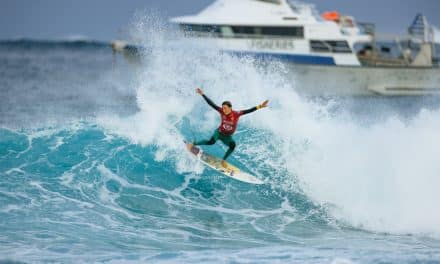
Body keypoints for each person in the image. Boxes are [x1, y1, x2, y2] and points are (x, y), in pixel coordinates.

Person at [188, 87, 269, 168]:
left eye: (225, 108)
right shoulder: (221, 111)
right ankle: (192, 144)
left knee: (233, 145)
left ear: (230, 108)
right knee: (211, 142)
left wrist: (260, 106)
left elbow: (249, 110)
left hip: (227, 136)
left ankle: (223, 160)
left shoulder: (236, 114)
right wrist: (202, 94)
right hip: (219, 132)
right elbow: (211, 104)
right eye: (223, 108)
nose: (223, 110)